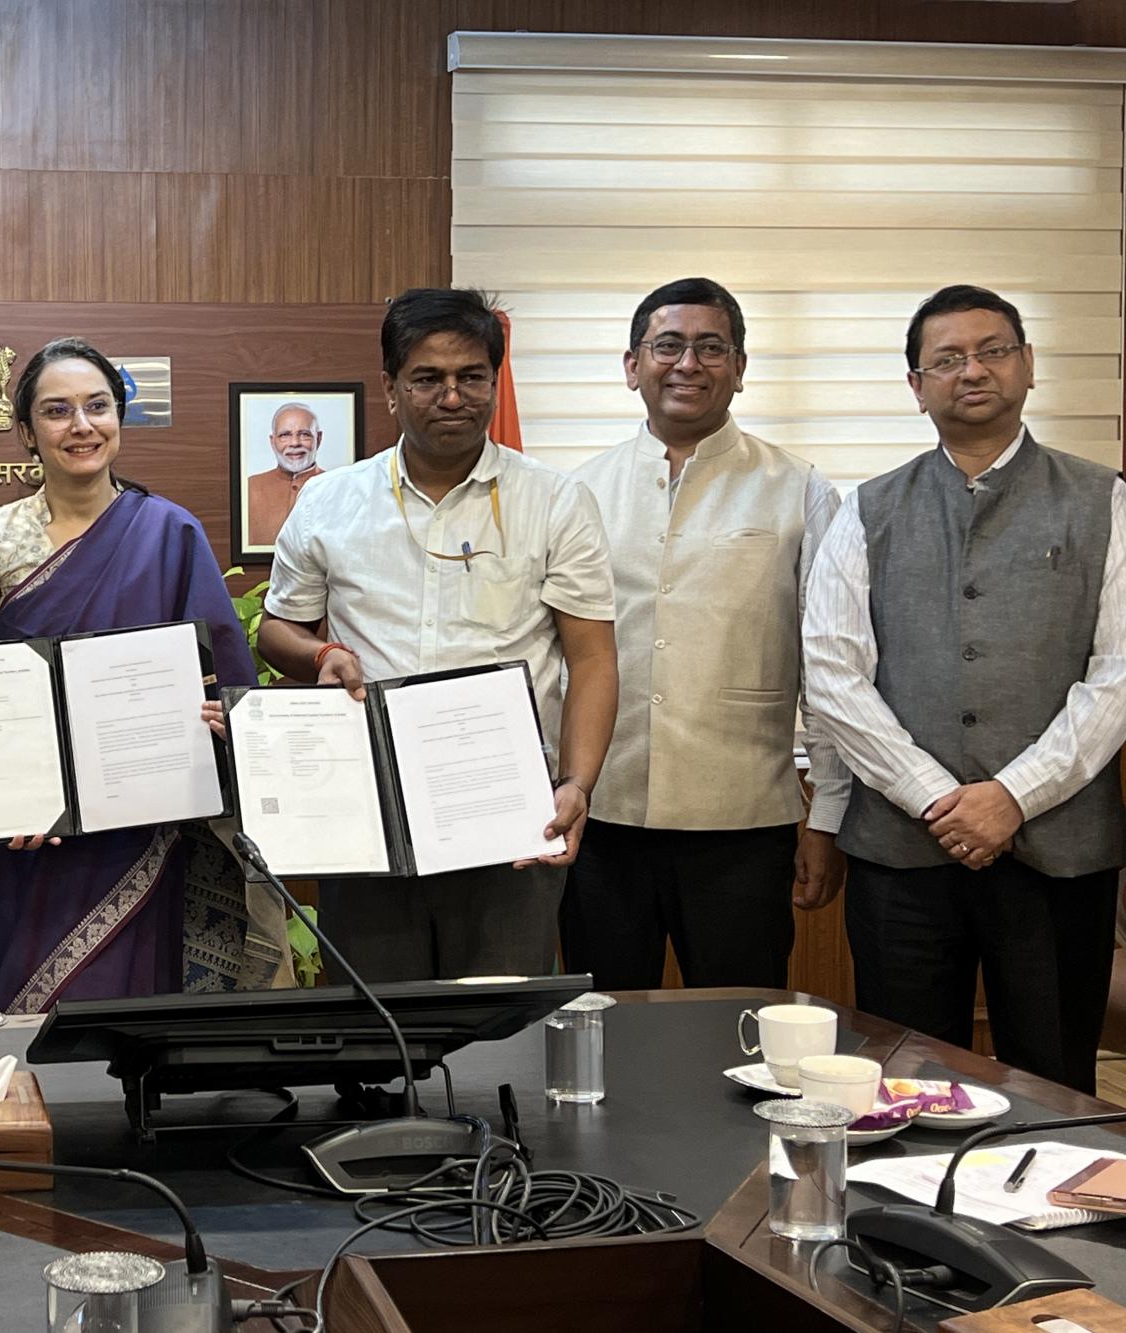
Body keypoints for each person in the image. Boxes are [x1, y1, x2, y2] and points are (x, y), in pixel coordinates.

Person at [804, 284, 1126, 1094]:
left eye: (992, 351)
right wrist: (934, 796)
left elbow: (1117, 674)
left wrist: (1013, 795)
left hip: (1058, 855)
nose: (972, 371)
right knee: (905, 1081)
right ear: (917, 388)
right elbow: (834, 674)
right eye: (946, 359)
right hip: (903, 854)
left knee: (1054, 1083)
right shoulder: (866, 508)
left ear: (1028, 365)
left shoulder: (1104, 498)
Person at [257, 287, 618, 981]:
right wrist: (321, 653)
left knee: (500, 1024)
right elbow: (277, 630)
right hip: (370, 810)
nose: (453, 397)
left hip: (510, 814)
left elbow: (593, 658)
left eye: (471, 376)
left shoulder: (556, 500)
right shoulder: (330, 500)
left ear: (494, 381)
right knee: (378, 1023)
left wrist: (577, 782)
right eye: (427, 378)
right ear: (390, 388)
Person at [0, 337, 284, 1010]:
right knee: (25, 1028)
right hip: (24, 833)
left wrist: (224, 717)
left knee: (138, 1021)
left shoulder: (170, 533)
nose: (81, 425)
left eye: (97, 406)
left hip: (145, 832)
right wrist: (12, 796)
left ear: (119, 417)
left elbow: (227, 685)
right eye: (57, 411)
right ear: (27, 432)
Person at [561, 278, 850, 991]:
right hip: (600, 818)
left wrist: (829, 813)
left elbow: (830, 667)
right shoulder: (576, 492)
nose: (687, 363)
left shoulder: (800, 489)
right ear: (632, 365)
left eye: (711, 347)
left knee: (740, 1027)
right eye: (667, 345)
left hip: (743, 822)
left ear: (740, 368)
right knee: (605, 1024)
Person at [246, 401, 326, 547]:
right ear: (272, 441)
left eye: (304, 434)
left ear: (319, 439)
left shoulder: (337, 486)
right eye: (285, 435)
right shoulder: (249, 488)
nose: (294, 443)